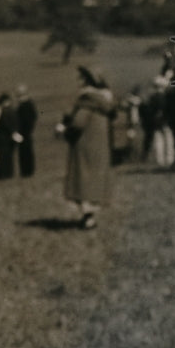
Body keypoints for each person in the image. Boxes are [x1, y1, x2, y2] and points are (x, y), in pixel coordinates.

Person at [56, 66, 115, 229]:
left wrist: (63, 130)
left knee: (84, 182)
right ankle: (90, 217)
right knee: (94, 181)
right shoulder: (103, 101)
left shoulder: (86, 101)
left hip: (86, 147)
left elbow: (78, 123)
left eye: (81, 78)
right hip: (99, 147)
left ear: (87, 81)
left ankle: (88, 218)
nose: (78, 82)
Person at [15, 84, 38, 178]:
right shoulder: (29, 104)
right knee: (26, 151)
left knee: (25, 152)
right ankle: (28, 170)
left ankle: (26, 171)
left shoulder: (24, 105)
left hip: (24, 131)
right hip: (27, 131)